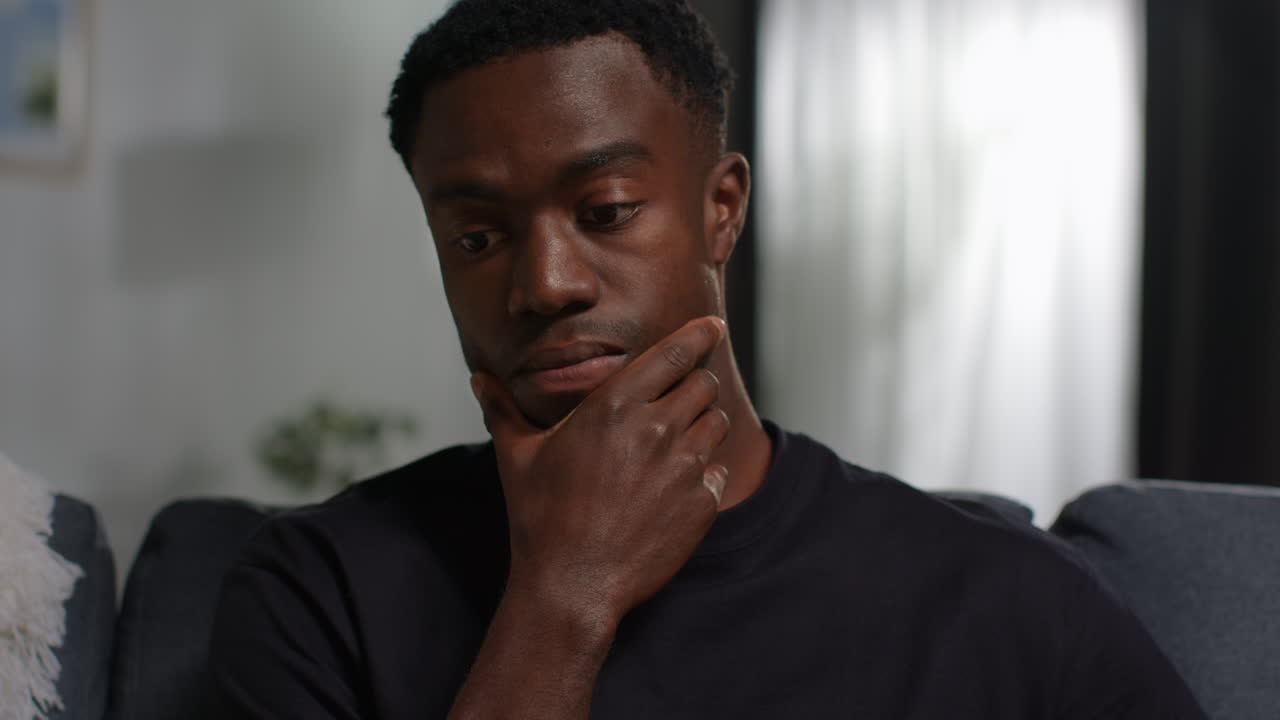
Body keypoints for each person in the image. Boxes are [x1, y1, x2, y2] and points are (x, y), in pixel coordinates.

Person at [210, 1, 1208, 718]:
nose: (544, 282)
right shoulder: (321, 592)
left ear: (717, 209)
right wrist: (561, 602)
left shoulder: (1002, 601)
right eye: (477, 236)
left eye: (602, 212)